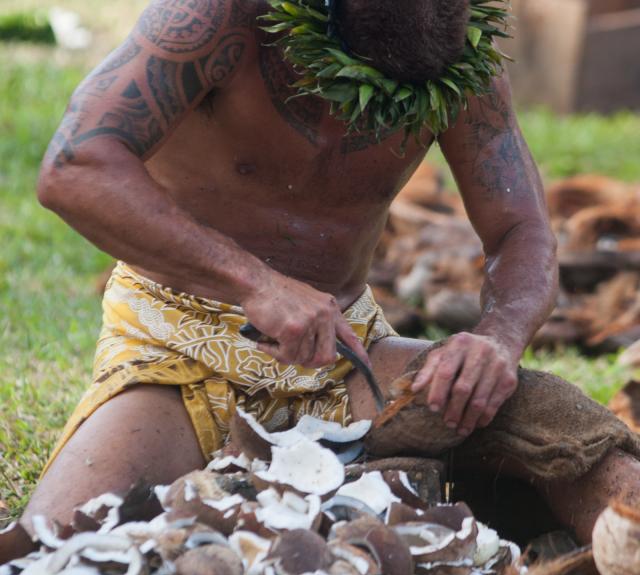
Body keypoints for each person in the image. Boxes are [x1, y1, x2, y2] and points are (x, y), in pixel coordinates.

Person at [23, 0, 640, 545]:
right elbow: (75, 168)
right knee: (58, 544)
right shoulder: (214, 17)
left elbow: (522, 229)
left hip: (350, 357)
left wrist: (499, 338)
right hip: (177, 343)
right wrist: (254, 283)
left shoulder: (466, 60)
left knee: (556, 421)